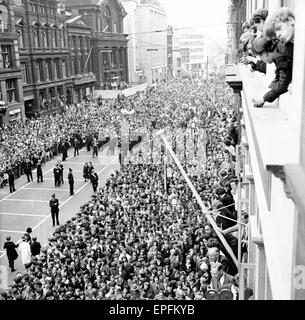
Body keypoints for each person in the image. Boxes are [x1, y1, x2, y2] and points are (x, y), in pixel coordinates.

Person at [251, 36, 293, 107]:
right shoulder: (278, 51)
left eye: (260, 56)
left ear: (265, 53)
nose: (261, 60)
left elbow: (284, 83)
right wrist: (265, 92)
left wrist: (264, 98)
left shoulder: (280, 56)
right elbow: (278, 76)